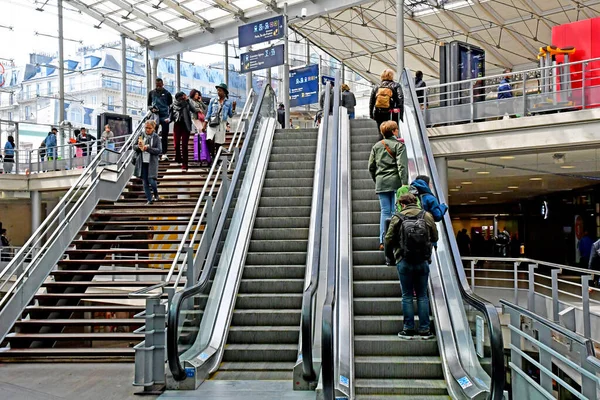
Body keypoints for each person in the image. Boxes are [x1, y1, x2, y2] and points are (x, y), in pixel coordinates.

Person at [385, 194, 438, 340]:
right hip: (422, 261)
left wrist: (390, 257)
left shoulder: (398, 217)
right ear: (415, 202)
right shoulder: (426, 215)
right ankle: (425, 330)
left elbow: (388, 238)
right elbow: (435, 237)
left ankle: (408, 330)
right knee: (422, 296)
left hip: (404, 260)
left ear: (402, 204)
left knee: (407, 296)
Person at [368, 120, 408, 250]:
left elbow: (371, 167)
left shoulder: (376, 146)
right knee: (396, 211)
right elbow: (402, 166)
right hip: (396, 183)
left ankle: (383, 240)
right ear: (393, 131)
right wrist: (404, 184)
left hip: (381, 183)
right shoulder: (399, 146)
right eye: (396, 129)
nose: (398, 131)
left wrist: (377, 179)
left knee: (385, 212)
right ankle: (395, 239)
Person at [204, 83, 236, 162]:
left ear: (224, 92)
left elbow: (231, 115)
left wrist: (234, 108)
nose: (218, 92)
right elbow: (209, 112)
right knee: (209, 139)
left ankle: (217, 158)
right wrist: (205, 123)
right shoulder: (213, 100)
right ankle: (212, 156)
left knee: (219, 142)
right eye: (218, 90)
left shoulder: (228, 103)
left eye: (220, 91)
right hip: (212, 122)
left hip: (222, 123)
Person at [170, 91, 200, 172]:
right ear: (179, 97)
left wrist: (188, 101)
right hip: (177, 125)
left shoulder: (187, 103)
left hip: (185, 125)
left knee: (184, 145)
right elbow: (171, 116)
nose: (184, 97)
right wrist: (168, 120)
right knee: (176, 145)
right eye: (183, 96)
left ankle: (185, 164)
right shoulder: (173, 105)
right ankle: (178, 158)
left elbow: (194, 110)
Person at [370, 69, 404, 137]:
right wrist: (400, 114)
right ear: (391, 76)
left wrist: (371, 114)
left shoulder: (376, 86)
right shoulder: (396, 85)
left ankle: (382, 144)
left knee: (381, 132)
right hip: (392, 113)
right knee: (393, 132)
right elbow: (400, 99)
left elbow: (371, 101)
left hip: (378, 113)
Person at [134, 120, 161, 205]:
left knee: (151, 180)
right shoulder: (141, 135)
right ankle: (149, 199)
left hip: (151, 162)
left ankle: (156, 193)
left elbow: (159, 150)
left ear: (153, 128)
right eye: (146, 128)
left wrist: (148, 149)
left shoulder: (156, 137)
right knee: (144, 181)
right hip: (142, 161)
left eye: (149, 128)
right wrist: (139, 147)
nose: (147, 130)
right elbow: (133, 146)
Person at [147, 78, 173, 161]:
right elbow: (149, 105)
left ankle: (164, 153)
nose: (158, 87)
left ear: (162, 84)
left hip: (164, 116)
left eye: (160, 85)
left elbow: (170, 105)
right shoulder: (151, 93)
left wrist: (169, 117)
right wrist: (152, 109)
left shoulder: (167, 93)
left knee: (165, 135)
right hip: (155, 116)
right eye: (157, 85)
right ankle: (156, 153)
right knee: (154, 135)